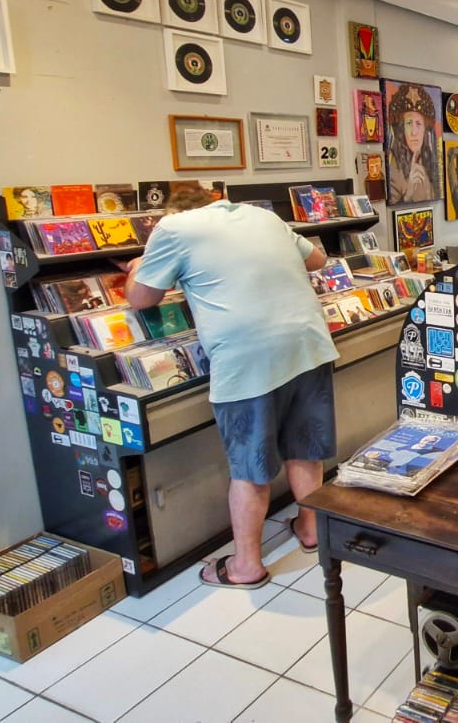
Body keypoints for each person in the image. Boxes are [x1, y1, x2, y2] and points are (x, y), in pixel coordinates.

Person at [124, 186, 338, 589]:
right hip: (307, 342)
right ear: (217, 200)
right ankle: (311, 529)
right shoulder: (262, 216)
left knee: (250, 465)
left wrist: (139, 266)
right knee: (305, 447)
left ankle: (246, 566)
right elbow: (318, 259)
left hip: (248, 358)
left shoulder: (171, 228)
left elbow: (140, 298)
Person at [385, 83, 442, 204]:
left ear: (425, 130)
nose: (414, 132)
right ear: (401, 129)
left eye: (419, 124)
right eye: (409, 123)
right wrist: (409, 193)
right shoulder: (394, 170)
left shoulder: (432, 164)